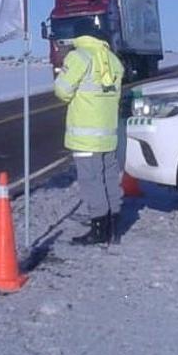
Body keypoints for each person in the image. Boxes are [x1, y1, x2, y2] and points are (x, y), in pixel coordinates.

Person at [53, 21, 125, 245]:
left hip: (85, 135)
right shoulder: (112, 59)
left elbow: (62, 91)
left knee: (91, 182)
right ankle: (114, 227)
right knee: (109, 178)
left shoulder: (78, 57)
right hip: (108, 133)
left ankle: (99, 229)